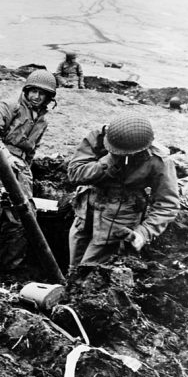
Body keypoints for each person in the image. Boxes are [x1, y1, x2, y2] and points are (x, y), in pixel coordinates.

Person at [67, 114, 179, 281]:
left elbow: (167, 204)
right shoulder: (99, 138)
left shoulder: (158, 160)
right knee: (73, 269)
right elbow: (75, 173)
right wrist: (109, 161)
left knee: (88, 276)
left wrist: (144, 232)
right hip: (85, 215)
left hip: (116, 224)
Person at [0, 69, 57, 272]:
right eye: (33, 91)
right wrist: (6, 157)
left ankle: (6, 273)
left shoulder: (43, 119)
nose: (36, 96)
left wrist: (24, 168)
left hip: (20, 173)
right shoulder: (8, 106)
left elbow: (32, 150)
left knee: (22, 221)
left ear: (48, 97)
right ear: (26, 90)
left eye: (41, 93)